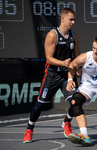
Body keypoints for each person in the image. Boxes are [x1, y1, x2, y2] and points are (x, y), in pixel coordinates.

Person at [23, 8, 80, 143]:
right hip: (52, 75)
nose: (73, 22)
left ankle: (66, 122)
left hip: (67, 76)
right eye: (71, 19)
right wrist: (63, 63)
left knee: (76, 101)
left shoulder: (74, 36)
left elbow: (77, 56)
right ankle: (29, 129)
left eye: (74, 20)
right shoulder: (52, 35)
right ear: (63, 19)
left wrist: (79, 68)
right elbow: (49, 59)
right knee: (39, 105)